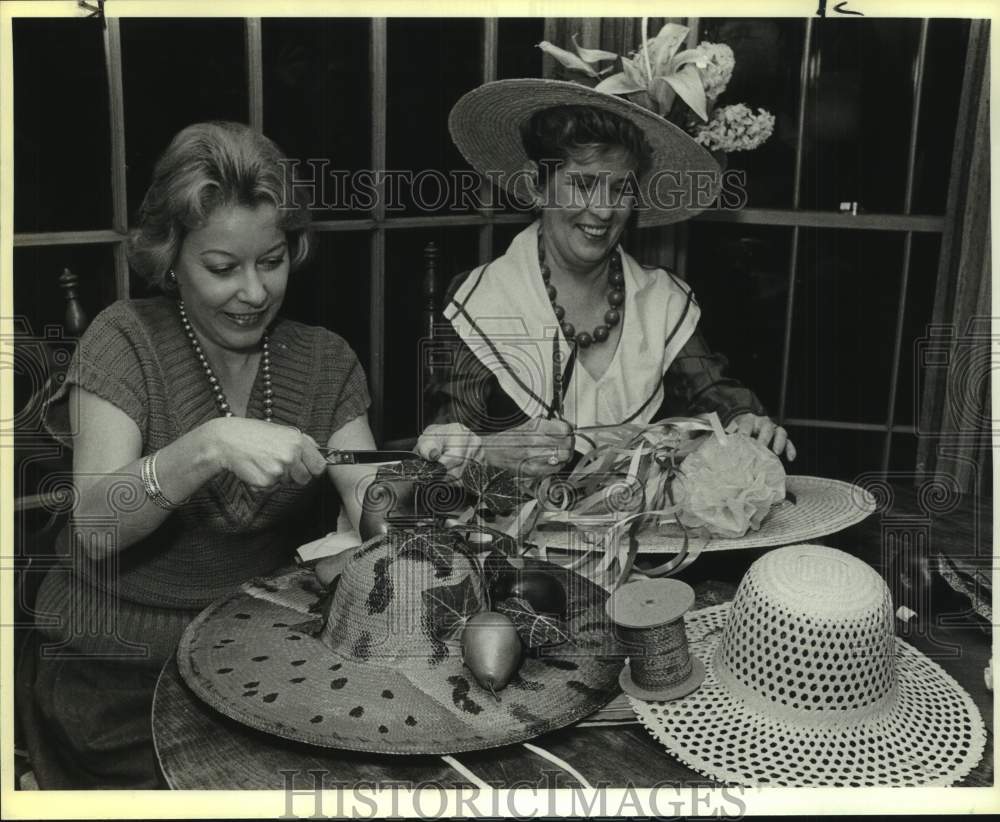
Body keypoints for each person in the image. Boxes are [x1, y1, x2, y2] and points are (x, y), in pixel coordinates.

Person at [24, 121, 377, 788]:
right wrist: (205, 446)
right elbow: (97, 527)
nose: (252, 292)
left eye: (270, 262)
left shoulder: (324, 359)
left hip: (258, 659)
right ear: (170, 256)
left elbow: (374, 506)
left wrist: (434, 477)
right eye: (222, 268)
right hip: (114, 674)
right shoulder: (124, 339)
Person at [417, 78, 796, 476]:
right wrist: (486, 453)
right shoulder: (483, 299)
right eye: (582, 184)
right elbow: (444, 453)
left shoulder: (660, 297)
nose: (602, 210)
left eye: (620, 189)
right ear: (535, 185)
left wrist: (745, 421)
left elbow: (714, 394)